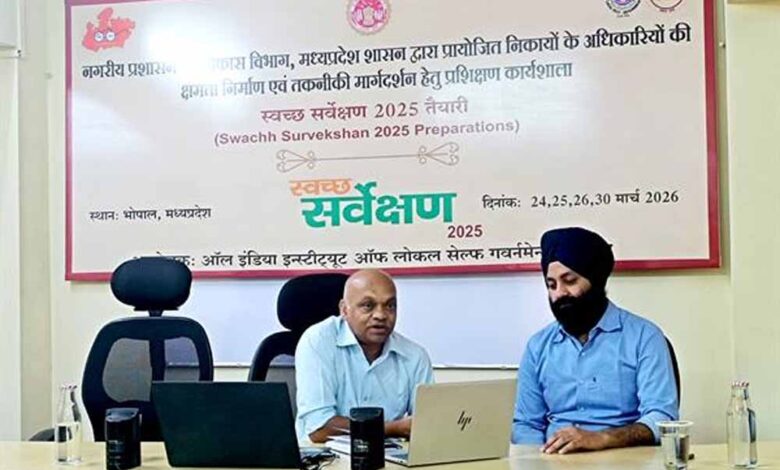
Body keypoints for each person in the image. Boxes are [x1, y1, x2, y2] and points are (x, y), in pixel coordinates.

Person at [512, 227, 679, 453]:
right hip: (554, 461)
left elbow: (662, 418)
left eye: (570, 281)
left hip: (624, 459)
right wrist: (536, 461)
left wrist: (603, 438)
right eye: (551, 285)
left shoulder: (644, 337)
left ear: (596, 281)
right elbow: (526, 424)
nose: (559, 293)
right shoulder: (538, 346)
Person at [295, 269, 433, 443]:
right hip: (325, 455)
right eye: (368, 305)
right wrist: (393, 428)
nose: (381, 315)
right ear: (344, 310)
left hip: (389, 455)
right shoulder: (318, 341)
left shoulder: (414, 356)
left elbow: (428, 424)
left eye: (390, 306)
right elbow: (319, 429)